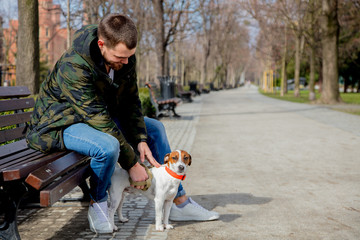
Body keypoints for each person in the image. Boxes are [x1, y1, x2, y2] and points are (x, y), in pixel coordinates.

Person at [26, 13, 218, 234]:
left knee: (154, 128)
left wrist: (141, 139)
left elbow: (131, 100)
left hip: (93, 117)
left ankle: (179, 202)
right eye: (121, 57)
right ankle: (98, 204)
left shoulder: (123, 56)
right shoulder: (74, 65)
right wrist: (133, 164)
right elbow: (98, 120)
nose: (126, 62)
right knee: (107, 146)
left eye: (129, 57)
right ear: (101, 45)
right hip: (60, 123)